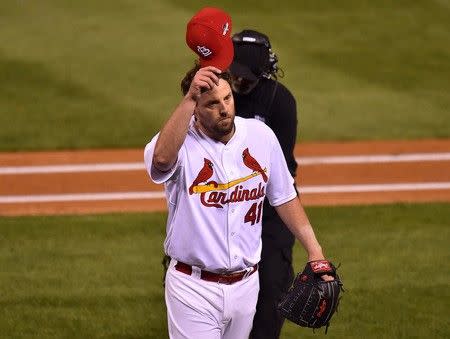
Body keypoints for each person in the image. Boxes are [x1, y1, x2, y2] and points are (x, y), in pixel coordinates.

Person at [144, 7, 332, 339]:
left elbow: (284, 196)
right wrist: (189, 98)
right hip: (193, 288)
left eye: (228, 98)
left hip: (246, 285)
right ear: (196, 112)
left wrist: (315, 251)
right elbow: (159, 162)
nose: (224, 107)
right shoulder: (179, 142)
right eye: (212, 103)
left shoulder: (260, 137)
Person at [229, 29, 298, 339]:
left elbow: (282, 177)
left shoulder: (278, 100)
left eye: (248, 76)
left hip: (268, 210)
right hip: (223, 208)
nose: (240, 82)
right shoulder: (214, 95)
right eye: (236, 74)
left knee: (270, 290)